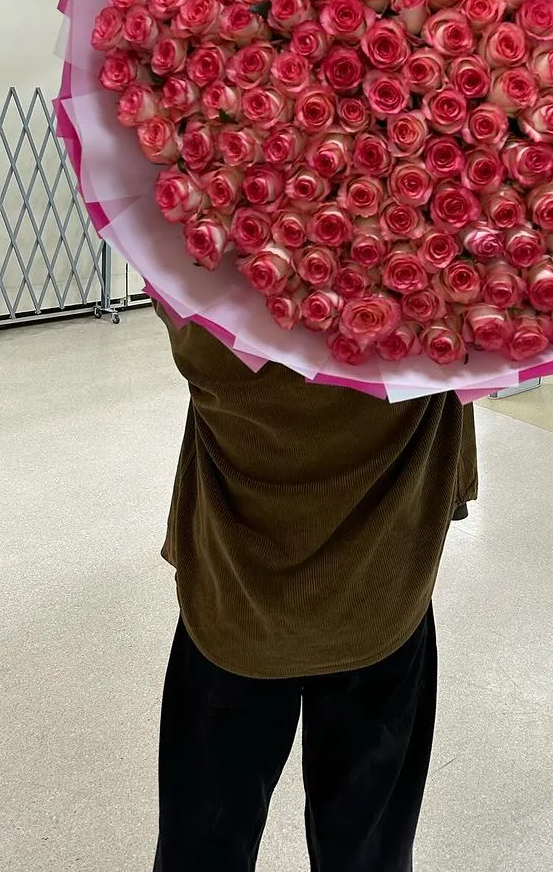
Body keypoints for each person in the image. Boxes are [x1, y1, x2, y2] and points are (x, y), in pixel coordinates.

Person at [152, 307, 478, 872]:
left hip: (234, 596)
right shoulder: (438, 301)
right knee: (367, 846)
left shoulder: (215, 310)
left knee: (204, 839)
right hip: (382, 591)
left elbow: (175, 299)